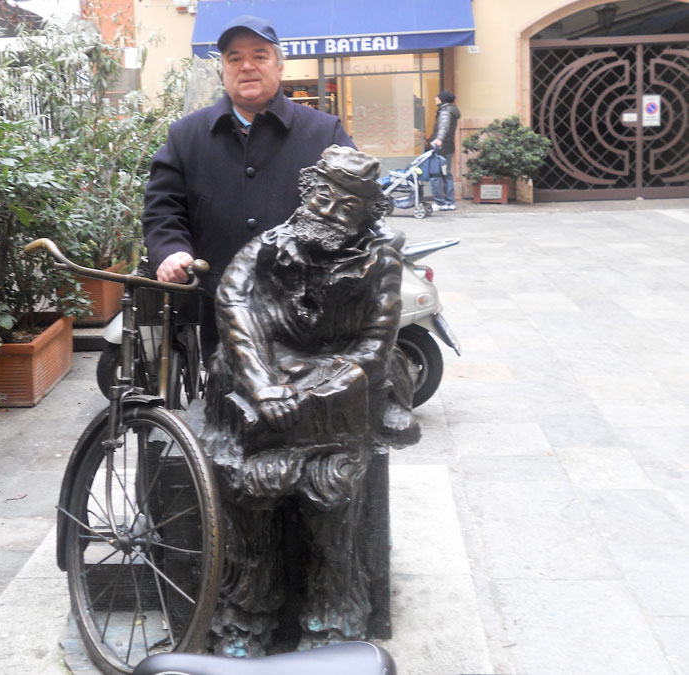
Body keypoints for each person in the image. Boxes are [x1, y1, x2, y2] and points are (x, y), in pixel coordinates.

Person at [200, 145, 418, 657]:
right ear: (306, 192)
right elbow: (233, 305)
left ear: (365, 215)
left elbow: (375, 345)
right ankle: (246, 612)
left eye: (347, 206)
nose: (328, 212)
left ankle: (335, 617)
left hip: (335, 388)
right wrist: (262, 382)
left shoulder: (380, 262)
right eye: (322, 196)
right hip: (260, 379)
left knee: (333, 489)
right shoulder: (264, 249)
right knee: (249, 486)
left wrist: (318, 390)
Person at [142, 15, 354, 362]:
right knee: (226, 392)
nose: (247, 66)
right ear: (222, 70)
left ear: (280, 66)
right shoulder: (186, 136)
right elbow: (163, 208)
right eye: (235, 58)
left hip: (307, 310)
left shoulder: (324, 133)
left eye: (259, 55)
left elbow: (353, 211)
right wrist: (170, 251)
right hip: (221, 304)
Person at [426, 89, 460, 211]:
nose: (435, 99)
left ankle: (440, 202)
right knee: (446, 175)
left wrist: (438, 140)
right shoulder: (451, 110)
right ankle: (450, 203)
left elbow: (443, 127)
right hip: (448, 148)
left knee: (435, 176)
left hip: (441, 149)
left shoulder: (445, 112)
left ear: (442, 99)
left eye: (437, 97)